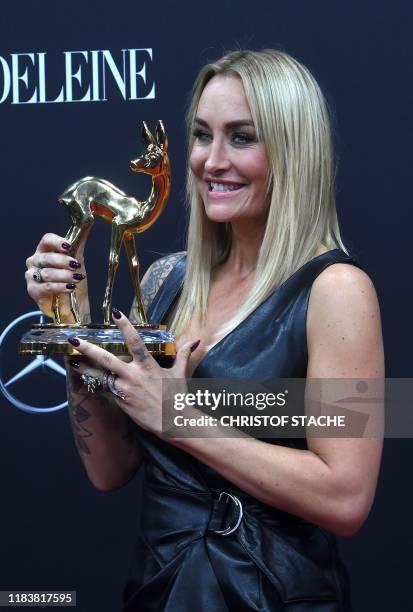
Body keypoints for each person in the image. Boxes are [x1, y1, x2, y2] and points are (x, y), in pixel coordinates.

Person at [25, 49, 384, 611]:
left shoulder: (337, 290)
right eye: (201, 135)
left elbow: (347, 497)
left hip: (271, 593)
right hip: (159, 585)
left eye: (242, 137)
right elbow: (109, 470)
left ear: (294, 149)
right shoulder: (168, 280)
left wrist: (180, 417)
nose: (211, 160)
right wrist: (73, 324)